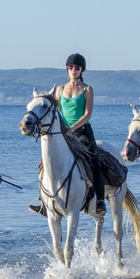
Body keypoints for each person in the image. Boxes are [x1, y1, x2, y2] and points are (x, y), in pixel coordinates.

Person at [28, 53, 108, 217]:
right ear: (67, 69)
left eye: (77, 68)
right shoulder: (60, 89)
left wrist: (72, 128)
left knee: (94, 161)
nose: (73, 70)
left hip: (82, 131)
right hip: (62, 132)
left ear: (81, 70)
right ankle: (43, 200)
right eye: (70, 67)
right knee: (46, 161)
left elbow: (87, 114)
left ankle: (100, 201)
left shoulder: (87, 89)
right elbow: (55, 111)